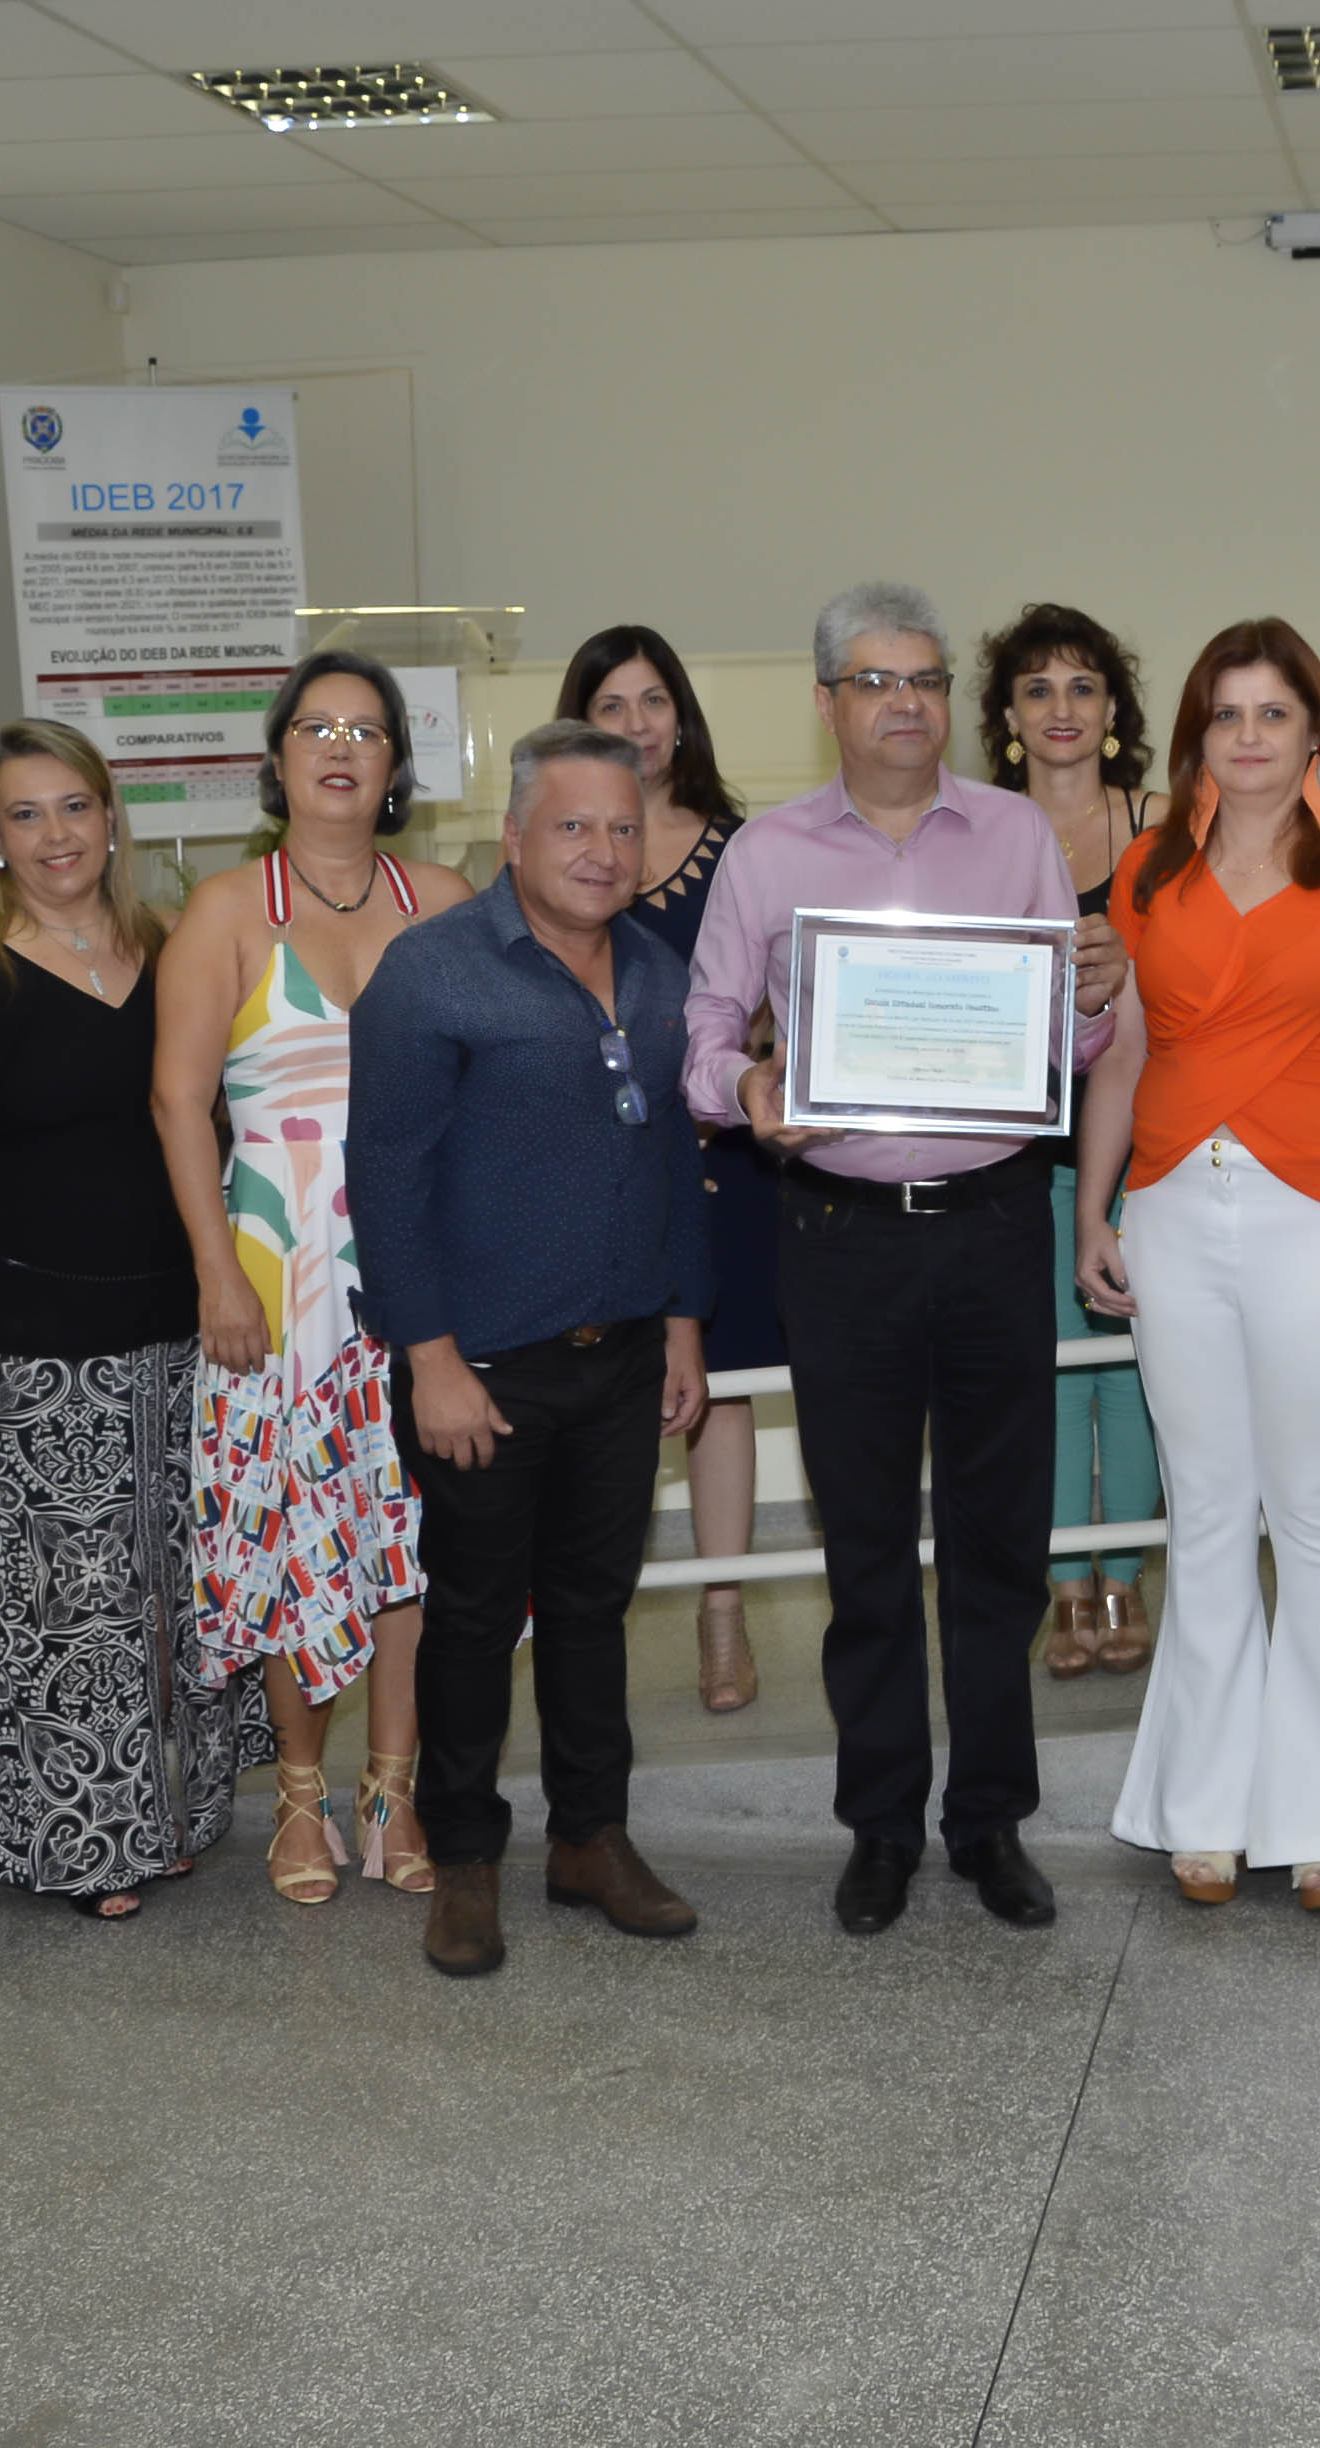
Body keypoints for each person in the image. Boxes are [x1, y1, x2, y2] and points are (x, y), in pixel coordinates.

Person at [687, 582, 1126, 1937]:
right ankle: (880, 1824)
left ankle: (990, 1820)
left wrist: (1094, 1005)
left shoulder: (1013, 835)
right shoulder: (766, 854)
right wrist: (746, 1092)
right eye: (877, 682)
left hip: (995, 1225)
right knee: (868, 1550)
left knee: (1000, 1546)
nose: (907, 705)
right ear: (827, 702)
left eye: (927, 681)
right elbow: (704, 1028)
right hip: (842, 1237)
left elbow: (1064, 1050)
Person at [0, 721, 265, 1922]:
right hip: (23, 1347)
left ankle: (170, 1815)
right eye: (26, 813)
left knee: (170, 1593)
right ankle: (84, 1842)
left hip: (174, 1335)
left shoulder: (164, 943)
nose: (56, 835)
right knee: (60, 1611)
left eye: (75, 807)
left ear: (110, 816)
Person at [1072, 620, 1320, 1910]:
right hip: (1174, 1210)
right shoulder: (1151, 867)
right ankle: (1207, 1805)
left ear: (1313, 730)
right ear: (1197, 737)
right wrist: (1096, 1211)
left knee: (1315, 1517)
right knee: (1211, 1514)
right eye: (1225, 713)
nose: (1248, 735)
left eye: (1273, 712)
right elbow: (1126, 1050)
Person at [351, 723, 715, 1978]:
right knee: (469, 1619)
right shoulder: (431, 973)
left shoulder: (661, 974)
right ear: (513, 838)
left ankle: (590, 1840)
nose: (602, 850)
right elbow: (385, 1178)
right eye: (573, 826)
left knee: (592, 1611)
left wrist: (682, 1323)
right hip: (484, 1369)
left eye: (622, 827)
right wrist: (432, 1360)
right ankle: (462, 1857)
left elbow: (671, 1156)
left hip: (623, 1355)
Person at [153, 650, 469, 1905]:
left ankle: (394, 1789)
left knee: (410, 1533)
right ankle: (299, 1796)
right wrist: (214, 1274)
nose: (341, 747)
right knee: (294, 1535)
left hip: (424, 1271)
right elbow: (177, 1103)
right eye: (316, 727)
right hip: (278, 1279)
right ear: (278, 758)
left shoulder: (446, 900)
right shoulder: (227, 910)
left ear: (396, 766)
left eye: (367, 730)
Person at [564, 624, 777, 1716]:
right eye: (612, 705)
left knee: (721, 1391)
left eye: (654, 702)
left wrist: (737, 1085)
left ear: (682, 718)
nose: (637, 724)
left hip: (725, 1162)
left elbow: (781, 1005)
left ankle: (722, 1616)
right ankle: (589, 1626)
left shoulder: (745, 849)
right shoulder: (562, 852)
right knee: (608, 1396)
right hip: (597, 1170)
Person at [981, 602, 1164, 1676]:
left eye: (1083, 686)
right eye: (1038, 688)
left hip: (1157, 1147)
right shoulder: (976, 830)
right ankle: (1063, 1587)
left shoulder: (1165, 825)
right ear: (1007, 717)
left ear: (1112, 711)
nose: (1062, 708)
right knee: (1049, 1372)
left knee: (1135, 1367)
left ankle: (1125, 1578)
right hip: (1019, 1154)